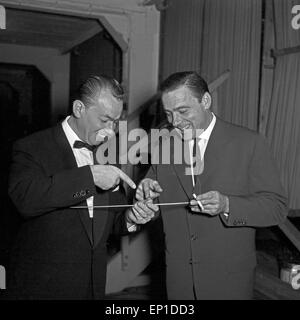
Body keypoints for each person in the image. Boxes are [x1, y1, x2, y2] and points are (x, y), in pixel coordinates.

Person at [134, 71, 288, 300]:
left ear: (206, 101)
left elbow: (276, 207)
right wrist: (145, 192)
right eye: (168, 113)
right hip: (179, 282)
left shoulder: (249, 143)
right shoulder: (163, 144)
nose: (175, 122)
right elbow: (154, 192)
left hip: (228, 281)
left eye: (183, 111)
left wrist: (227, 204)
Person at [7, 75, 157, 300]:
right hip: (42, 286)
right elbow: (25, 200)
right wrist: (89, 178)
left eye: (115, 122)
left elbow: (112, 219)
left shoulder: (108, 152)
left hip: (93, 285)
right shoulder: (32, 146)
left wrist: (131, 217)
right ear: (79, 108)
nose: (110, 130)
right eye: (104, 120)